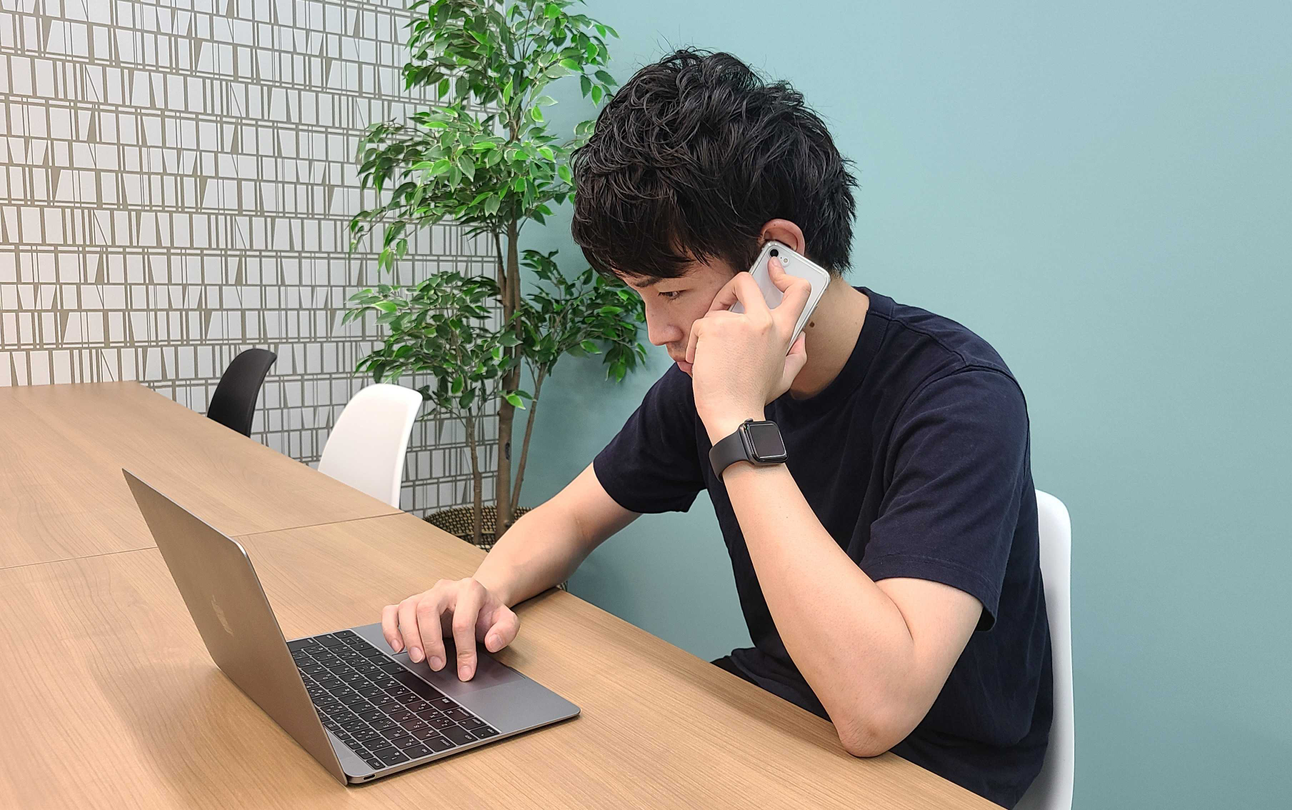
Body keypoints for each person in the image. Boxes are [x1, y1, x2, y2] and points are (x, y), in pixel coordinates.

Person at [379, 48, 1051, 808]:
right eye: (640, 296)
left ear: (778, 259)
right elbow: (571, 518)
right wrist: (480, 589)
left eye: (671, 291)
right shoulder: (702, 382)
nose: (658, 331)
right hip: (778, 713)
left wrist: (737, 421)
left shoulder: (960, 397)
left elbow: (878, 710)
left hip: (928, 769)